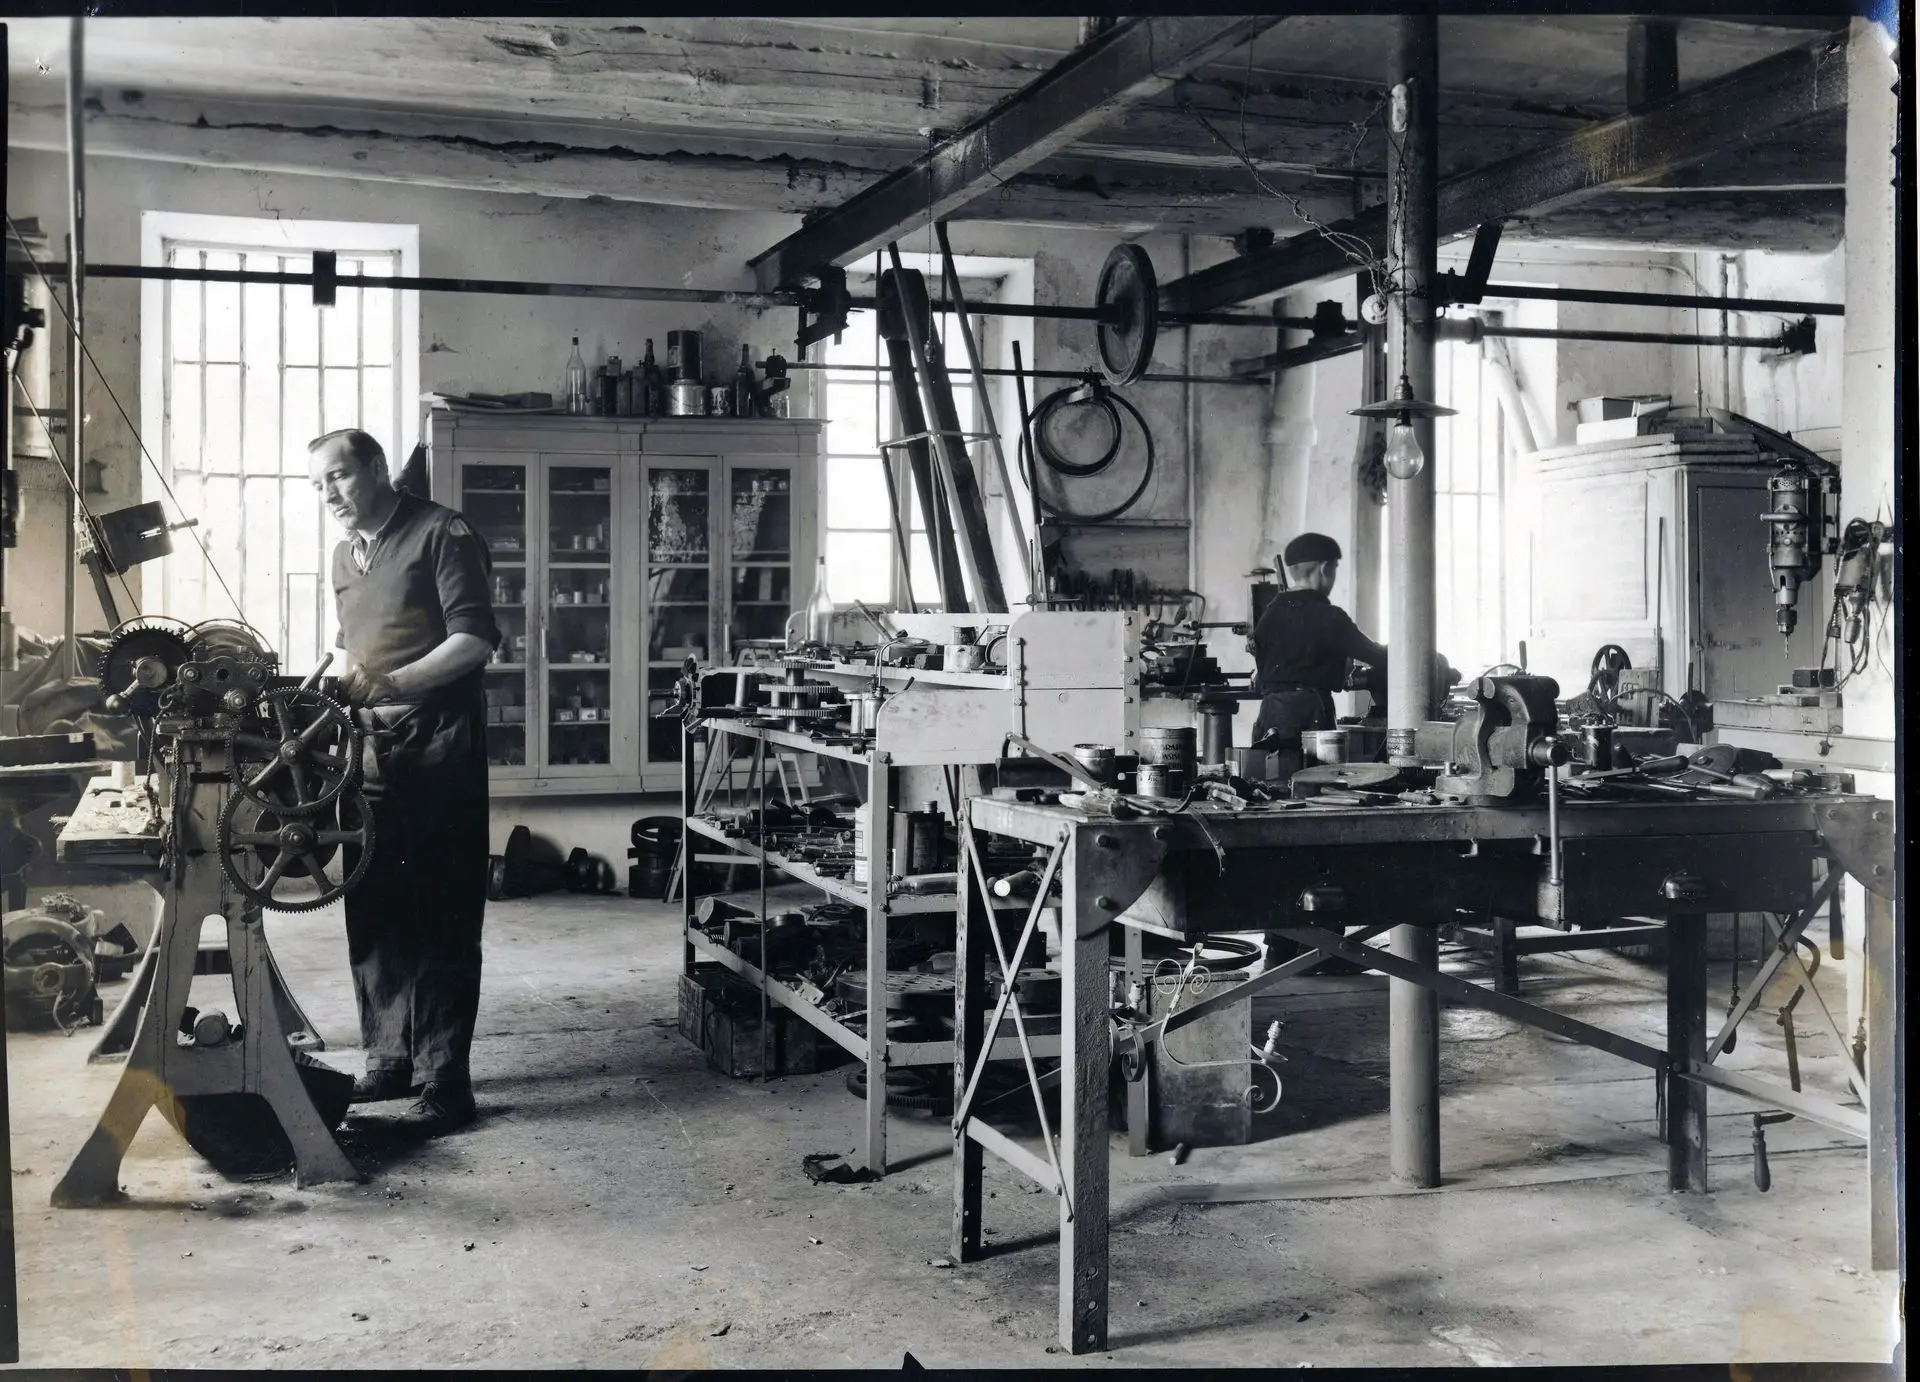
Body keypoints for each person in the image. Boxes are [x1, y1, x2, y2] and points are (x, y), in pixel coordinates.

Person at [311, 428, 499, 1134]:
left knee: (442, 913)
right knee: (377, 905)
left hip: (439, 748)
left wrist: (389, 681)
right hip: (370, 752)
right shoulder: (344, 555)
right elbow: (354, 646)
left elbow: (475, 640)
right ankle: (389, 1059)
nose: (328, 495)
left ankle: (445, 1082)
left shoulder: (441, 533)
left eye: (338, 477)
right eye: (317, 486)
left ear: (379, 470)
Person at [1248, 532, 1387, 773]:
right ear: (1325, 569)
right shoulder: (1329, 617)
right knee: (1316, 789)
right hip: (1309, 717)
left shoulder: (1269, 615)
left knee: (1271, 788)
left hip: (1270, 715)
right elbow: (1376, 655)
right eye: (1334, 569)